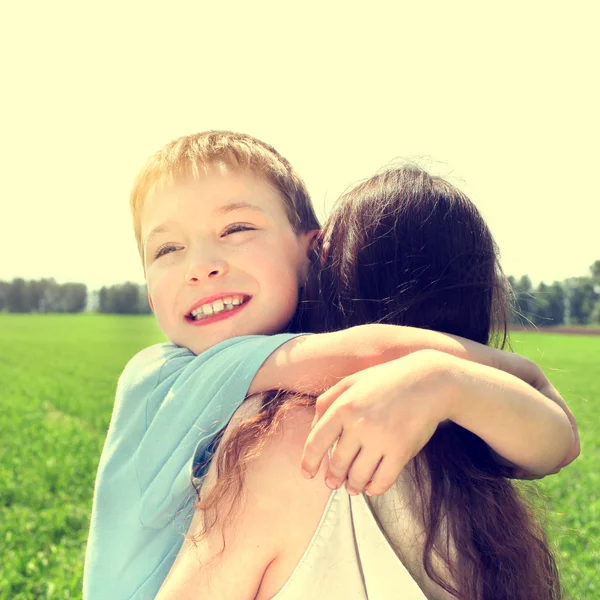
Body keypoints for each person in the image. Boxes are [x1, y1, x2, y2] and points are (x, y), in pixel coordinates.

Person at [83, 132, 576, 599]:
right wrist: (481, 374)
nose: (201, 265)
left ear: (311, 253)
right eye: (167, 248)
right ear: (150, 293)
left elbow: (553, 447)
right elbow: (368, 351)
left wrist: (455, 386)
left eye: (235, 229)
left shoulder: (288, 393)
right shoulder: (178, 372)